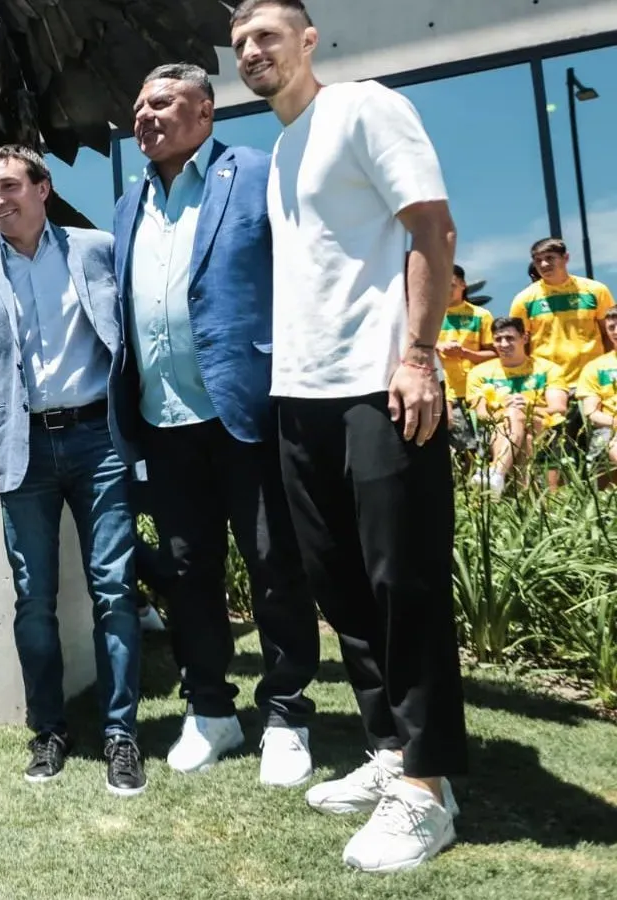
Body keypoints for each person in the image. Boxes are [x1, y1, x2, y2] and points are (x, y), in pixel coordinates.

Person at [233, 0, 467, 872]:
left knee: (401, 582)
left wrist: (418, 355)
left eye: (266, 37)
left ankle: (429, 788)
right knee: (340, 586)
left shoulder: (364, 106)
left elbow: (431, 227)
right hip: (300, 396)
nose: (253, 51)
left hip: (380, 385)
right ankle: (390, 749)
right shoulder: (282, 152)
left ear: (307, 40)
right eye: (240, 44)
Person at [114, 63, 319, 786]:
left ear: (204, 110)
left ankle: (288, 712)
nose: (144, 115)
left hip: (246, 412)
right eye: (139, 105)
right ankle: (211, 710)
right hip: (163, 419)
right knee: (185, 570)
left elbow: (304, 272)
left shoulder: (256, 172)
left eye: (161, 103)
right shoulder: (126, 202)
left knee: (273, 566)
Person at [0, 144, 144, 794]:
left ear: (43, 187)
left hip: (100, 443)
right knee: (34, 602)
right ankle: (49, 731)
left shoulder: (99, 250)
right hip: (21, 453)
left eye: (9, 187)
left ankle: (121, 735)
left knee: (113, 590)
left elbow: (137, 339)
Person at [465, 317, 569, 495]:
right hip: (499, 428)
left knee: (516, 414)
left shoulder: (547, 369)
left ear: (525, 338)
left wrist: (527, 407)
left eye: (510, 338)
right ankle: (523, 498)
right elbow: (481, 414)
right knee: (523, 436)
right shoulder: (479, 372)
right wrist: (508, 412)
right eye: (498, 339)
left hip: (540, 424)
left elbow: (559, 408)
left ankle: (496, 473)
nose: (503, 344)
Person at [509, 238, 614, 387]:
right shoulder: (524, 299)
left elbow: (609, 334)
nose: (544, 264)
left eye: (550, 258)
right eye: (538, 260)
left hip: (593, 380)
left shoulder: (596, 290)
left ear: (566, 258)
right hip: (548, 383)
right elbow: (519, 345)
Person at [437, 265, 495, 451]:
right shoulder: (429, 314)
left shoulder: (481, 315)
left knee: (478, 449)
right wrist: (438, 346)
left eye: (451, 284)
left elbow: (495, 354)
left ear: (463, 284)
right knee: (452, 450)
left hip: (475, 392)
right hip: (440, 390)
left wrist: (465, 353)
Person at [578, 308, 617, 477]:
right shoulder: (596, 367)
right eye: (611, 327)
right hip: (610, 427)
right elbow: (591, 412)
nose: (616, 332)